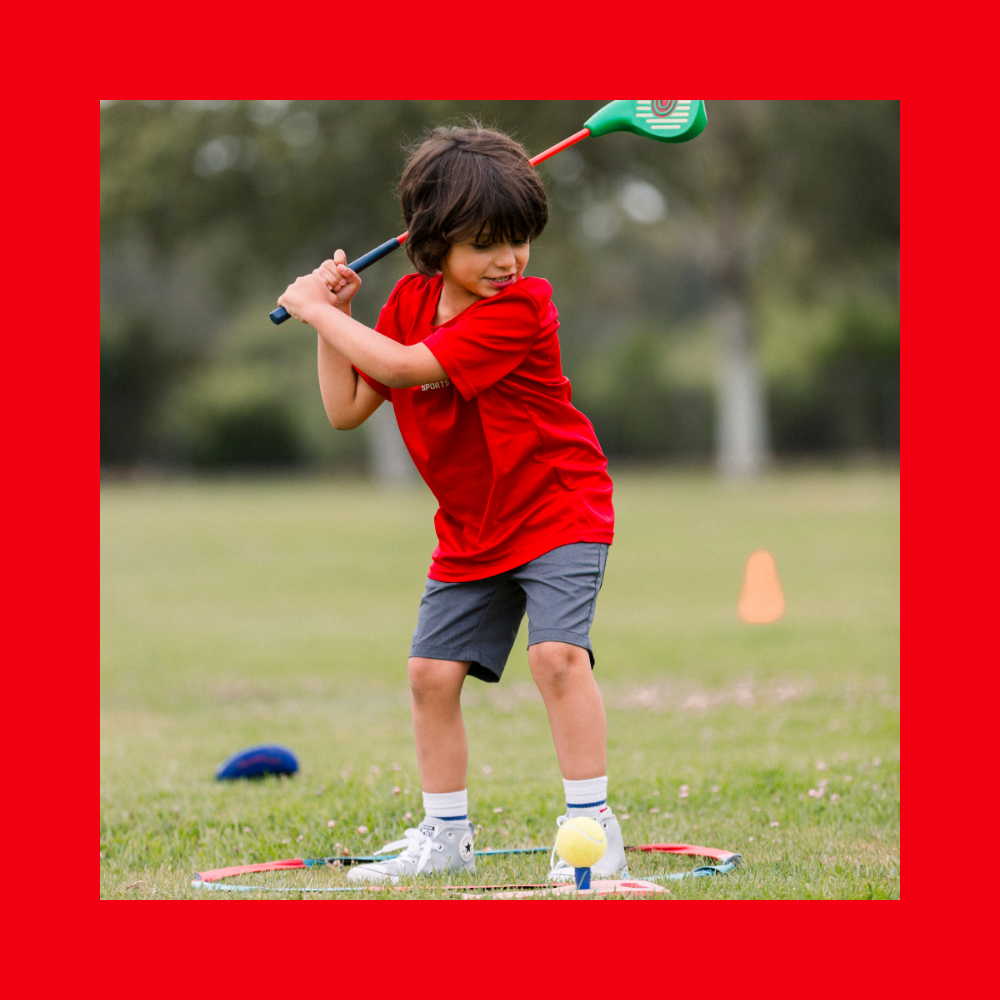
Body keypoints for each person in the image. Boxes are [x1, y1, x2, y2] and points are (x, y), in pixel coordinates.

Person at [277, 125, 626, 884]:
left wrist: (316, 310)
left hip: (556, 505)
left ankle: (593, 828)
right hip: (473, 525)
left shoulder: (521, 309)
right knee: (430, 676)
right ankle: (444, 835)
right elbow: (345, 408)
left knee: (556, 658)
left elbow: (403, 369)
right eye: (484, 243)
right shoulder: (407, 301)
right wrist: (334, 319)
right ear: (432, 246)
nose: (508, 260)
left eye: (518, 240)